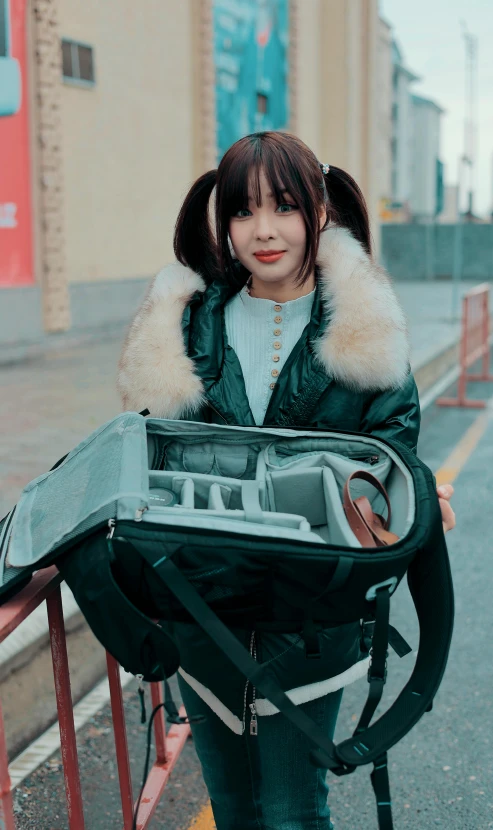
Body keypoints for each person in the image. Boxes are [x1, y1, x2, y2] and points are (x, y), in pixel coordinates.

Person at [117, 131, 455, 830]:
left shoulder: (367, 327)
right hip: (201, 614)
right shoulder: (177, 327)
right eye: (242, 211)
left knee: (294, 810)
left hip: (313, 619)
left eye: (282, 207)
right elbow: (146, 459)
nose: (263, 230)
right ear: (222, 222)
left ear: (317, 212)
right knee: (236, 809)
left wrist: (406, 504)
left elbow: (390, 460)